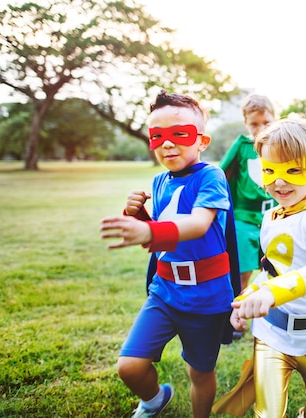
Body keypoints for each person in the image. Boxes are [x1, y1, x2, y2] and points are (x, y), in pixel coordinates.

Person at [100, 90, 240, 418]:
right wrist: (140, 217)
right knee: (130, 366)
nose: (167, 144)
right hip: (164, 292)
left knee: (199, 373)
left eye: (180, 134)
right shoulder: (159, 180)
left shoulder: (211, 176)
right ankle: (153, 399)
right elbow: (166, 237)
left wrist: (149, 230)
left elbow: (198, 224)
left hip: (206, 297)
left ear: (201, 141)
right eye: (157, 136)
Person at [214, 115, 306, 418]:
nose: (279, 181)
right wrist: (246, 299)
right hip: (272, 333)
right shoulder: (271, 218)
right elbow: (270, 270)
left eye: (293, 170)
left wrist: (274, 293)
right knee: (267, 414)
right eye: (270, 171)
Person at [220, 94, 277, 301]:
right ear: (246, 123)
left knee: (275, 267)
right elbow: (222, 174)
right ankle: (237, 314)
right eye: (254, 124)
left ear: (274, 119)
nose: (261, 128)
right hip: (243, 218)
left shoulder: (280, 144)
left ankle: (269, 312)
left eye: (266, 123)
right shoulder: (242, 146)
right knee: (242, 271)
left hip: (273, 217)